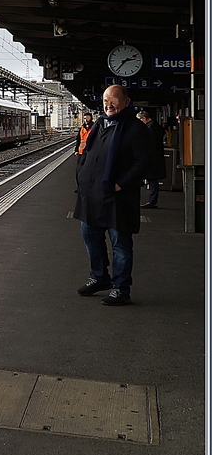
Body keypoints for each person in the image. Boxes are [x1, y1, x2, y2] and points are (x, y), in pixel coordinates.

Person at [74, 84, 152, 306]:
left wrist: (121, 183)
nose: (109, 104)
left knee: (120, 244)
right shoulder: (99, 124)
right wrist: (81, 174)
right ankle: (99, 277)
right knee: (91, 237)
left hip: (118, 197)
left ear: (126, 102)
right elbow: (88, 151)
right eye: (106, 100)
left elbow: (143, 162)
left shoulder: (135, 128)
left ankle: (121, 288)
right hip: (91, 196)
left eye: (114, 100)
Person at [137, 108, 166, 208]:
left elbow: (150, 145)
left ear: (144, 118)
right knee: (152, 179)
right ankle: (152, 201)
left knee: (153, 180)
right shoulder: (154, 127)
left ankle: (152, 202)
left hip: (153, 159)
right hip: (154, 158)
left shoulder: (151, 129)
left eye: (140, 120)